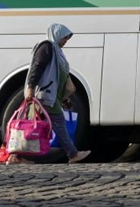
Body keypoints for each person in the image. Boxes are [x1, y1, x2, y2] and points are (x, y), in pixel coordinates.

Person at [6, 23, 90, 165]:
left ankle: (15, 156)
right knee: (57, 122)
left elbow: (57, 77)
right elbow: (37, 67)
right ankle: (73, 153)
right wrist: (31, 87)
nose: (65, 41)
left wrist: (63, 98)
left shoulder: (56, 50)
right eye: (64, 38)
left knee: (30, 124)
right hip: (44, 95)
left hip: (51, 96)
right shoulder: (47, 47)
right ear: (57, 35)